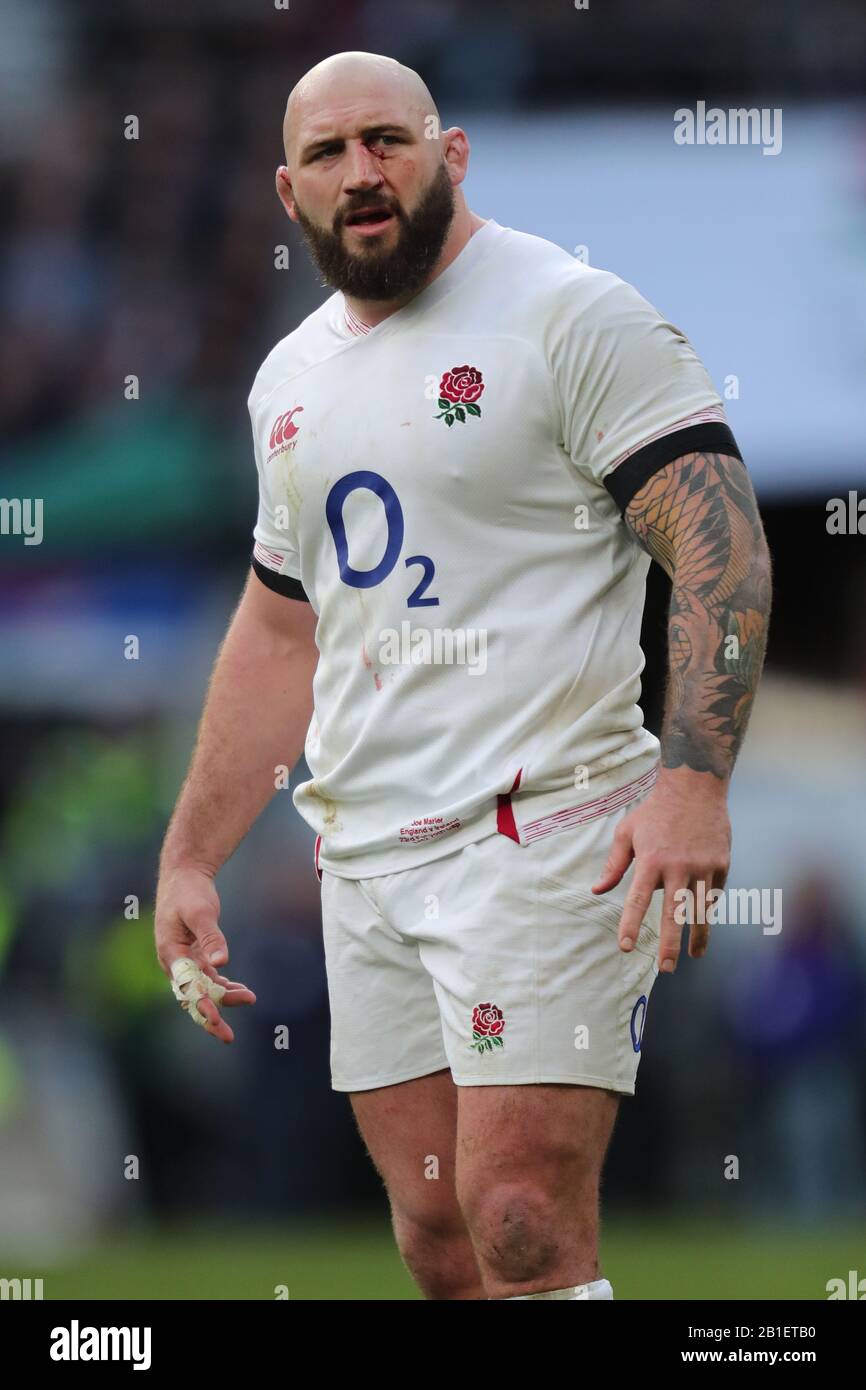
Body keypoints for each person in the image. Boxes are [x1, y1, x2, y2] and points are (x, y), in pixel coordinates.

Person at [154, 50, 772, 1300]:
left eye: (387, 139)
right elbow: (282, 633)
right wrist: (188, 854)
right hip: (367, 855)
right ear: (287, 192)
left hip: (548, 827)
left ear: (452, 153)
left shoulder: (569, 313)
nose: (360, 172)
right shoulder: (287, 380)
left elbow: (722, 546)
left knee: (519, 1221)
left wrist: (694, 784)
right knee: (440, 1251)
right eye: (326, 155)